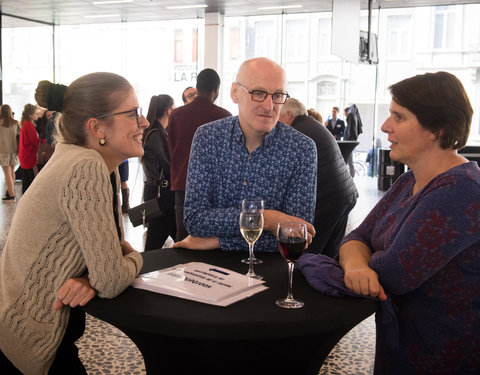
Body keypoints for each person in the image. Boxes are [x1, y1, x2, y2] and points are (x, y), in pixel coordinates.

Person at [0, 72, 146, 374]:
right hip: (25, 343)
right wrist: (135, 257)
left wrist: (92, 276)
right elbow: (112, 278)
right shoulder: (85, 166)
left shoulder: (91, 161)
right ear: (96, 127)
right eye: (133, 114)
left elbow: (104, 260)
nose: (143, 122)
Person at [338, 71, 480, 374]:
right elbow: (356, 236)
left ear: (437, 128)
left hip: (442, 356)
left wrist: (365, 258)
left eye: (398, 117)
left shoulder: (461, 190)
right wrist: (357, 266)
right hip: (404, 346)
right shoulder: (409, 180)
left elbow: (395, 273)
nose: (385, 126)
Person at [173, 57, 317, 252]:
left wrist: (219, 241)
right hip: (211, 270)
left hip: (270, 272)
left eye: (277, 96)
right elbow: (195, 220)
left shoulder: (302, 149)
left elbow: (297, 235)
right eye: (258, 93)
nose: (269, 106)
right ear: (234, 93)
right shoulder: (208, 137)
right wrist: (267, 219)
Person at [279, 98, 358, 257]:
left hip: (329, 196)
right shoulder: (311, 124)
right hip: (344, 193)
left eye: (278, 115)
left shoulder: (298, 132)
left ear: (288, 114)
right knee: (330, 252)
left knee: (309, 252)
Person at [168, 68, 231, 241]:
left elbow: (171, 149)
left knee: (183, 236)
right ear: (217, 89)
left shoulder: (176, 115)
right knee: (211, 239)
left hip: (182, 183)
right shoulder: (224, 117)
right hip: (214, 188)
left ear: (197, 87)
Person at [142, 94, 177, 250]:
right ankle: (143, 269)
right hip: (160, 194)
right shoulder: (156, 134)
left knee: (179, 235)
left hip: (160, 193)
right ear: (169, 110)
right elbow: (168, 165)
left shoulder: (159, 132)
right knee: (153, 243)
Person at [18, 103, 41, 193]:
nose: (37, 115)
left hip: (25, 155)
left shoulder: (26, 124)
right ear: (30, 115)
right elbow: (34, 141)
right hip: (28, 156)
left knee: (26, 181)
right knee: (30, 182)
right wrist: (44, 142)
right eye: (35, 113)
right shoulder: (28, 125)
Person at [0, 105, 19, 202]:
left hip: (3, 151)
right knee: (11, 172)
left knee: (7, 173)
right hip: (14, 150)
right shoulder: (15, 123)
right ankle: (10, 192)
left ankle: (11, 195)